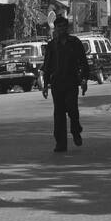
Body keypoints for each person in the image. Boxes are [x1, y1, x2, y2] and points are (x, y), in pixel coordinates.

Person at [41, 16, 89, 152]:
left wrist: (84, 79)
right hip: (57, 84)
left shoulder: (74, 42)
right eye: (59, 27)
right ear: (55, 28)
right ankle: (61, 143)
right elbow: (47, 66)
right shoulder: (52, 45)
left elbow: (83, 63)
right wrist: (45, 85)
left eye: (63, 26)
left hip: (72, 82)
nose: (61, 29)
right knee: (59, 114)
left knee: (73, 109)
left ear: (67, 28)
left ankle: (75, 130)